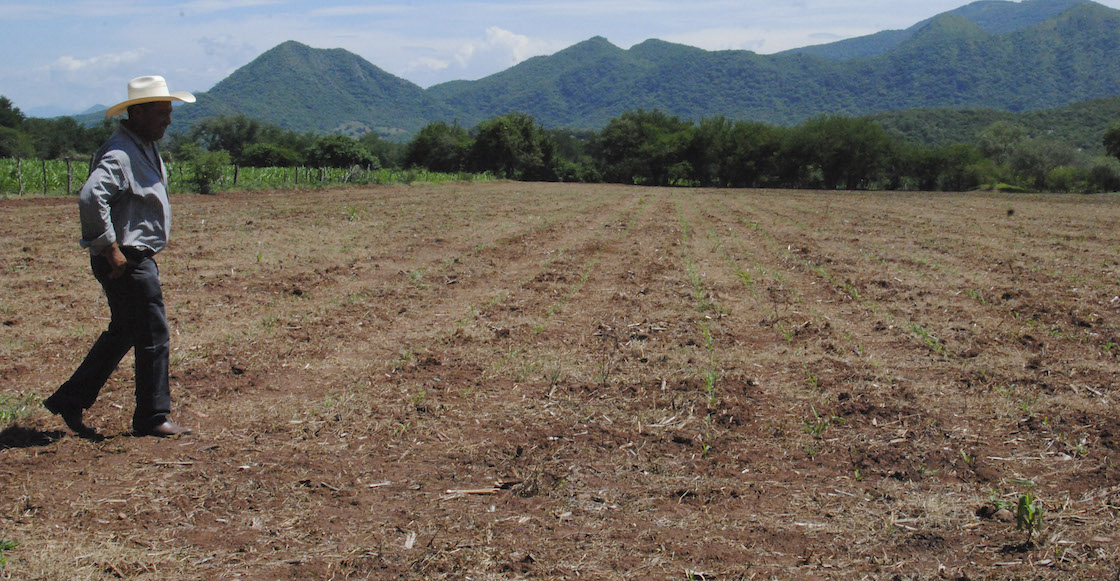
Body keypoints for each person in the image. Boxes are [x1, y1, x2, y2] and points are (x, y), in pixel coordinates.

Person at [44, 76, 195, 438]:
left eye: (170, 113)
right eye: (162, 113)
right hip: (127, 258)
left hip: (129, 256)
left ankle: (71, 398)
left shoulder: (141, 144)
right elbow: (90, 196)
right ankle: (152, 417)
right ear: (139, 112)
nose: (168, 121)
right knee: (153, 334)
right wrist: (109, 248)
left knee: (125, 330)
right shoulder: (121, 152)